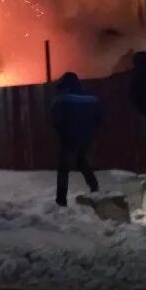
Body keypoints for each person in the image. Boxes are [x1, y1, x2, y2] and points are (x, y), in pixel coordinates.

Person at [52, 72, 101, 207]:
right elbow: (99, 117)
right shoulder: (91, 97)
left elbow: (56, 119)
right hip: (87, 137)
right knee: (83, 163)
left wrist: (62, 133)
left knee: (64, 169)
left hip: (68, 138)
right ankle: (95, 189)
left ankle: (61, 200)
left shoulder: (62, 99)